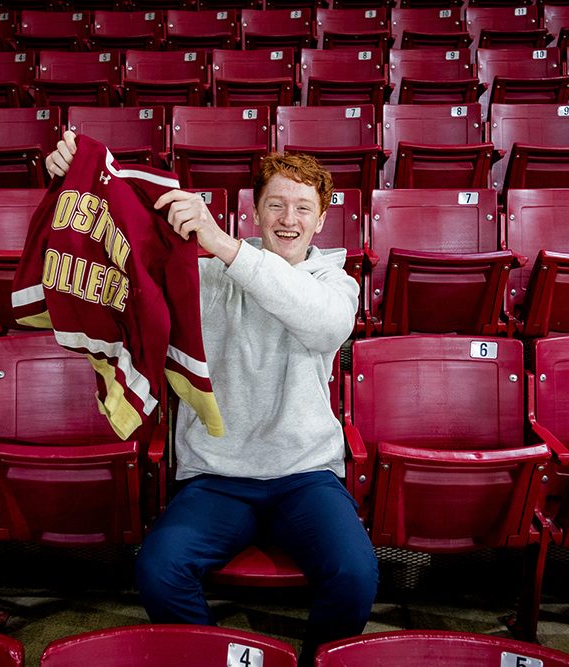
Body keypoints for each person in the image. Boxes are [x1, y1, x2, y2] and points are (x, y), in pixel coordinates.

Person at [45, 132, 378, 665]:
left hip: (306, 475)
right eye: (276, 205)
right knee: (158, 569)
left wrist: (224, 244)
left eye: (302, 209)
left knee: (357, 576)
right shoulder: (201, 276)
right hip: (218, 478)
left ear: (320, 221)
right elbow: (124, 252)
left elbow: (321, 325)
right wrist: (76, 182)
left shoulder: (334, 283)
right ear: (256, 213)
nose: (288, 219)